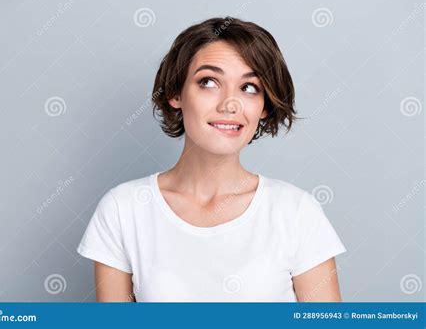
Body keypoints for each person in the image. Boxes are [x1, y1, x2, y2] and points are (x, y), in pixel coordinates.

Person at [77, 16, 347, 302]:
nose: (229, 103)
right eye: (208, 82)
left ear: (264, 106)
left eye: (249, 88)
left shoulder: (296, 212)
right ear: (175, 93)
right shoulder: (124, 209)